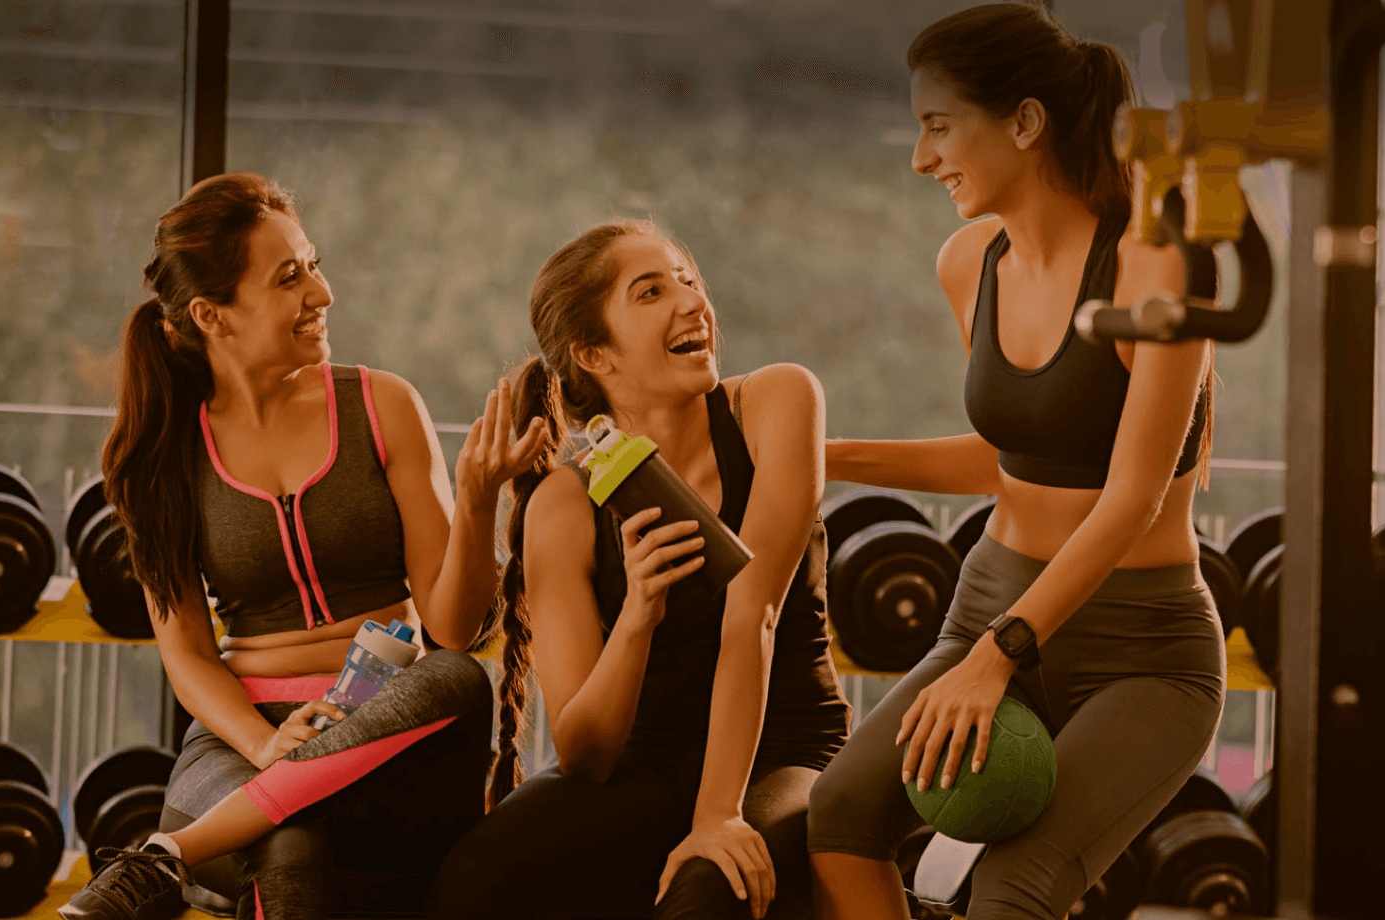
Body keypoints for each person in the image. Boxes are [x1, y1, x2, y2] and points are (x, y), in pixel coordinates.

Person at [806, 5, 1226, 920]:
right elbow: (1014, 460)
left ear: (1026, 122)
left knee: (1014, 885)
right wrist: (821, 457)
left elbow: (1131, 495)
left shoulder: (1155, 266)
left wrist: (999, 654)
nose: (922, 159)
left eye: (938, 126)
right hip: (988, 604)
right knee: (839, 815)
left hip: (1141, 647)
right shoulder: (970, 262)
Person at [61, 172, 545, 920]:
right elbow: (187, 656)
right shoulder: (164, 453)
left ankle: (168, 854)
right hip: (240, 739)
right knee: (286, 846)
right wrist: (266, 747)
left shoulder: (384, 406)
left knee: (455, 676)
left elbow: (451, 629)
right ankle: (218, 827)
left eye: (313, 265)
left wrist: (478, 498)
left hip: (391, 728)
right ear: (211, 314)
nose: (322, 293)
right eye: (289, 277)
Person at [428, 219, 851, 920]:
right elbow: (585, 754)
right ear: (595, 353)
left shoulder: (777, 401)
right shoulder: (564, 503)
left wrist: (717, 815)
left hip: (784, 749)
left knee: (711, 891)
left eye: (688, 280)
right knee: (474, 880)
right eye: (651, 292)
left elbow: (752, 614)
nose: (692, 302)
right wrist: (636, 617)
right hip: (647, 762)